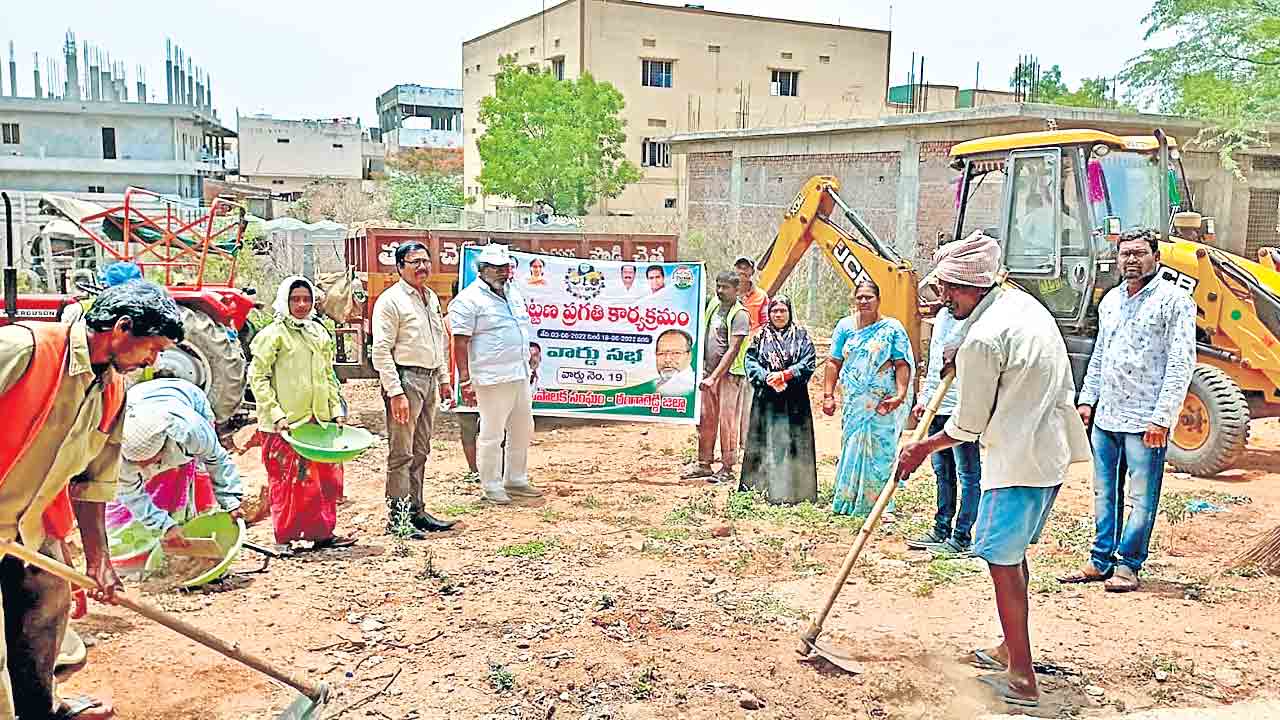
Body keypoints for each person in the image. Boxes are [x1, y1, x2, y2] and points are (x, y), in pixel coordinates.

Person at [895, 232, 1091, 709]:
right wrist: (959, 359)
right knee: (1014, 557)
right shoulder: (1021, 306)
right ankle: (1010, 647)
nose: (945, 301)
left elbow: (967, 424)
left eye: (949, 292)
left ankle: (1022, 677)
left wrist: (923, 447)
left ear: (971, 287)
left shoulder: (981, 340)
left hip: (1016, 460)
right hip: (1048, 454)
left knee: (1003, 566)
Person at [0, 279, 183, 720]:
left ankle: (40, 709)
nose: (152, 362)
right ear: (121, 329)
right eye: (152, 349)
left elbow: (94, 481)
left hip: (27, 524)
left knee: (45, 610)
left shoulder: (113, 391)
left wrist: (98, 560)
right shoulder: (25, 348)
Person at [1063, 228, 1196, 593]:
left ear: (1156, 256)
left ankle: (1129, 564)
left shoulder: (1174, 301)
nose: (1131, 260)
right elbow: (1101, 354)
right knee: (1104, 492)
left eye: (1139, 253)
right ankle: (1100, 558)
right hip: (1108, 416)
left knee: (1141, 497)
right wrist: (1087, 398)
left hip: (1145, 420)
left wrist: (1162, 417)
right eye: (1125, 254)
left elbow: (1181, 362)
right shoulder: (1110, 301)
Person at [248, 276, 356, 551]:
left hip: (317, 421)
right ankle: (285, 537)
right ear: (285, 300)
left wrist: (335, 409)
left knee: (322, 481)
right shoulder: (271, 336)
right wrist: (276, 414)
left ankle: (322, 534)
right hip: (284, 425)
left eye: (306, 299)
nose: (301, 304)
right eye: (295, 299)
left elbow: (328, 376)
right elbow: (258, 378)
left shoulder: (318, 333)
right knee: (286, 482)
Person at [372, 242, 457, 538]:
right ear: (399, 267)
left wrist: (444, 379)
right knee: (401, 453)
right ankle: (398, 518)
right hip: (406, 380)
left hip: (430, 378)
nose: (422, 267)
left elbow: (440, 341)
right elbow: (381, 350)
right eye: (414, 262)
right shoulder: (390, 301)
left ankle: (417, 511)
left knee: (421, 449)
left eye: (425, 261)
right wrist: (395, 392)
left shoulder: (430, 297)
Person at [449, 244, 541, 505]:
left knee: (523, 428)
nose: (504, 273)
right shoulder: (469, 300)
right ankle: (491, 485)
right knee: (492, 433)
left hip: (519, 373)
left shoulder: (513, 293)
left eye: (507, 268)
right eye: (497, 269)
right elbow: (459, 342)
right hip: (491, 377)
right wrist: (465, 379)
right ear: (482, 270)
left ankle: (516, 479)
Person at [113, 378, 245, 547]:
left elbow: (216, 459)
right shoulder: (118, 448)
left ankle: (194, 520)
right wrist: (166, 526)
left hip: (185, 396)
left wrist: (231, 502)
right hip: (140, 399)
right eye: (136, 463)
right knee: (153, 485)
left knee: (191, 476)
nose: (143, 467)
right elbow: (130, 494)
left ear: (163, 446)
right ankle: (168, 528)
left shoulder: (192, 431)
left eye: (148, 461)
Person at [822, 279, 913, 516]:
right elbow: (833, 362)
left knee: (882, 450)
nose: (863, 301)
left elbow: (902, 363)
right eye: (859, 297)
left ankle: (880, 505)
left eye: (868, 297)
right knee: (851, 446)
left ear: (878, 300)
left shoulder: (892, 329)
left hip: (882, 401)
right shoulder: (845, 327)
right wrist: (828, 395)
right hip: (854, 402)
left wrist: (901, 395)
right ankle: (847, 500)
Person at [905, 304, 983, 558]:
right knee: (942, 472)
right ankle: (941, 529)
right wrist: (924, 398)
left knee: (968, 474)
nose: (943, 293)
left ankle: (962, 536)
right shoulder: (941, 317)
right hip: (936, 407)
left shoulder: (978, 317)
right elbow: (935, 359)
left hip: (962, 410)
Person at [740, 296, 818, 504]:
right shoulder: (759, 337)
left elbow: (809, 361)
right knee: (764, 441)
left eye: (783, 311)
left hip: (794, 399)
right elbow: (750, 361)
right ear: (769, 313)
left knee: (794, 442)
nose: (779, 315)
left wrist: (787, 375)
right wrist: (767, 377)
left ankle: (797, 494)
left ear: (790, 312)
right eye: (775, 311)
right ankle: (761, 490)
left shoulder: (801, 336)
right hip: (767, 398)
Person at [682, 272, 750, 483]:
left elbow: (733, 350)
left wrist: (714, 377)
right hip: (708, 373)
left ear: (737, 290)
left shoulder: (740, 314)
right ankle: (704, 463)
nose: (720, 291)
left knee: (727, 421)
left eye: (726, 288)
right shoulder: (713, 305)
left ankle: (728, 468)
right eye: (718, 286)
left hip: (729, 376)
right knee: (705, 418)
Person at [732, 256, 770, 454]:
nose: (741, 273)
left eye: (745, 270)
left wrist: (753, 337)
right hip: (728, 353)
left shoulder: (761, 297)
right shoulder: (728, 293)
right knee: (730, 401)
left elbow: (765, 323)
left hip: (749, 354)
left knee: (748, 400)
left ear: (751, 273)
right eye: (738, 269)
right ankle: (728, 444)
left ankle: (745, 444)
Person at [653, 329, 695, 396]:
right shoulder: (656, 383)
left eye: (676, 353)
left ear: (689, 356)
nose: (667, 360)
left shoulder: (690, 386)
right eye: (661, 353)